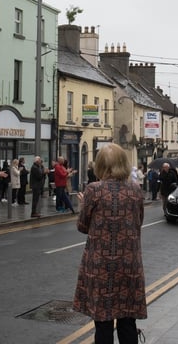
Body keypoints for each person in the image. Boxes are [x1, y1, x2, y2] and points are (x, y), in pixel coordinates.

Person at [73, 143, 146, 344]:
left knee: (103, 321)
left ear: (101, 165)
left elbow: (83, 226)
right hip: (129, 263)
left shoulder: (93, 190)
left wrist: (82, 207)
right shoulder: (135, 190)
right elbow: (138, 223)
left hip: (100, 264)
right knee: (127, 319)